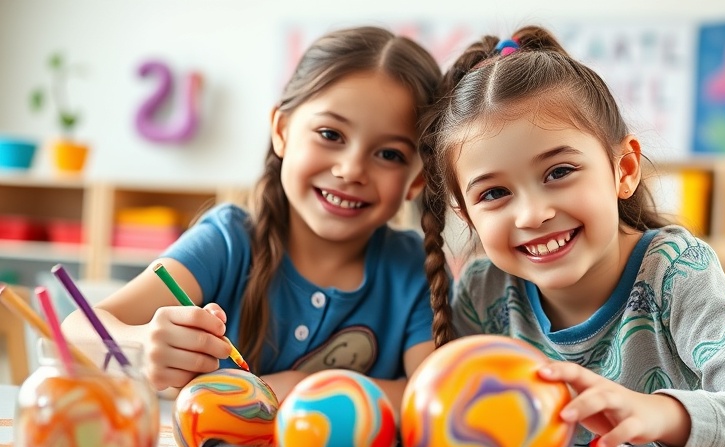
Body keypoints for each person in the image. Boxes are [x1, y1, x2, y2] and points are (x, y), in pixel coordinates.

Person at [417, 25, 725, 447]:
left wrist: (663, 415)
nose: (532, 215)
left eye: (559, 172)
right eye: (494, 194)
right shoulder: (483, 292)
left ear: (624, 169)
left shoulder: (675, 272)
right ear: (464, 213)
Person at [62, 26, 441, 409]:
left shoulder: (415, 268)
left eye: (389, 155)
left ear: (416, 180)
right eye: (330, 134)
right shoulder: (228, 241)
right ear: (282, 130)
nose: (351, 169)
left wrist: (304, 387)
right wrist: (140, 345)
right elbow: (75, 332)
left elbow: (430, 397)